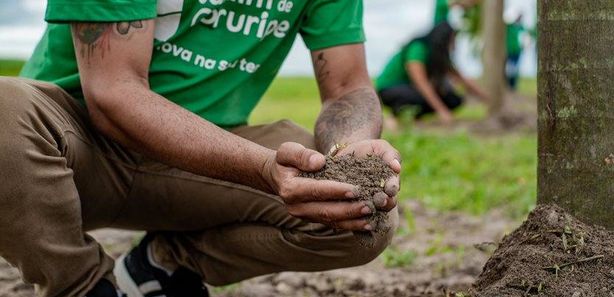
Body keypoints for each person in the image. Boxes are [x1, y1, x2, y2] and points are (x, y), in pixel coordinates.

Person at [0, 1, 401, 296]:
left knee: (360, 213)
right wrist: (263, 167)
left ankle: (161, 266)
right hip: (66, 154)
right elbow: (113, 94)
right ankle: (85, 287)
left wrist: (352, 153)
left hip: (201, 158)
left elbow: (348, 87)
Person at [376, 22, 489, 126]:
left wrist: (488, 98)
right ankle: (396, 116)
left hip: (412, 89)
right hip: (390, 89)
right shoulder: (418, 48)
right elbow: (421, 83)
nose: (454, 46)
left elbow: (462, 78)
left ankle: (413, 115)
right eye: (452, 41)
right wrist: (442, 111)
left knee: (453, 99)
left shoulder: (439, 57)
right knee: (420, 97)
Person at [506, 13, 526, 90]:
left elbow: (524, 38)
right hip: (510, 49)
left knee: (515, 67)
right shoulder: (509, 27)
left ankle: (513, 85)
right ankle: (509, 84)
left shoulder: (521, 28)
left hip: (518, 51)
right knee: (510, 67)